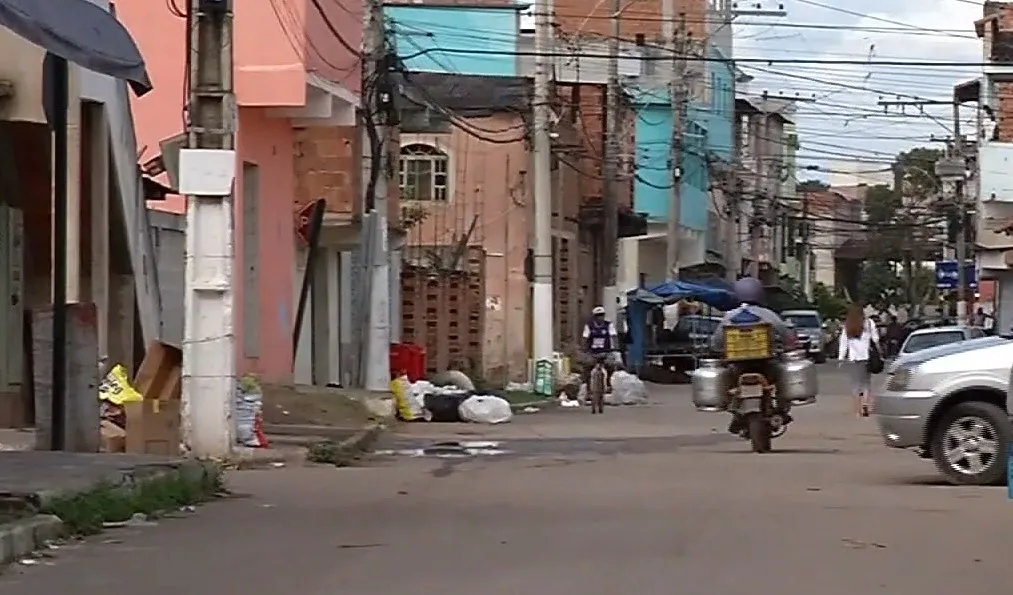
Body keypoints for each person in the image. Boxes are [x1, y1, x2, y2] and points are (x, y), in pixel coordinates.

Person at [710, 277, 796, 435]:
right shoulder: (769, 314)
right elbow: (785, 333)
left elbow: (716, 341)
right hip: (766, 364)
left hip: (738, 365)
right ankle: (781, 409)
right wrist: (789, 345)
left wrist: (716, 349)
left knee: (729, 382)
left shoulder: (729, 316)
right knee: (783, 379)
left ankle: (736, 412)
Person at [837, 303, 879, 417]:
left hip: (854, 358)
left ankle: (857, 410)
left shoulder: (848, 325)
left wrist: (841, 358)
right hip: (867, 357)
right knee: (866, 383)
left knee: (855, 385)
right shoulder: (869, 323)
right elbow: (876, 339)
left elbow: (843, 343)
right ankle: (865, 404)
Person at [581, 306, 620, 389]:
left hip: (606, 351)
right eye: (598, 315)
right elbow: (585, 337)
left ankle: (609, 382)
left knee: (611, 365)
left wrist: (616, 348)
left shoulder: (608, 324)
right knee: (587, 366)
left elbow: (614, 336)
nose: (600, 317)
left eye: (602, 315)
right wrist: (583, 348)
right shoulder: (589, 325)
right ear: (594, 317)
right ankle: (587, 386)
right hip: (593, 352)